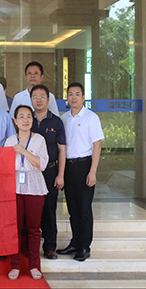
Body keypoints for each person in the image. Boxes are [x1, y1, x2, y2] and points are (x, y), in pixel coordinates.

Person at [56, 82, 103, 262]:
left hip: (85, 165)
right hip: (68, 167)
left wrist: (93, 171)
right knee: (73, 209)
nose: (73, 97)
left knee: (84, 209)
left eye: (77, 94)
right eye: (70, 94)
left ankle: (84, 246)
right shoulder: (64, 118)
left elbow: (97, 145)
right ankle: (75, 243)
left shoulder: (91, 118)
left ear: (83, 97)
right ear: (67, 98)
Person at [4, 105, 48, 281]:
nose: (25, 120)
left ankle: (33, 265)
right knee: (14, 229)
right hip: (14, 187)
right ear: (15, 121)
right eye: (21, 116)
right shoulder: (9, 141)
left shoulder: (39, 140)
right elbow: (3, 165)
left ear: (32, 120)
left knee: (34, 229)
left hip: (35, 186)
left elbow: (41, 164)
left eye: (28, 116)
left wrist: (23, 151)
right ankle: (15, 265)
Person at [30, 84, 66, 260]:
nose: (38, 100)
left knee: (49, 209)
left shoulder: (56, 122)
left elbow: (62, 150)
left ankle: (50, 246)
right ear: (31, 100)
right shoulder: (26, 119)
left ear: (48, 99)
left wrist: (60, 175)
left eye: (42, 97)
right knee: (30, 209)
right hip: (30, 172)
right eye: (35, 97)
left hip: (50, 171)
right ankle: (30, 247)